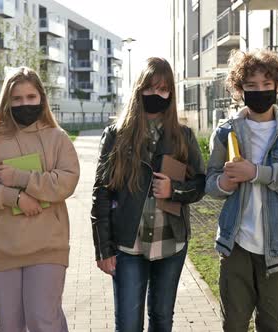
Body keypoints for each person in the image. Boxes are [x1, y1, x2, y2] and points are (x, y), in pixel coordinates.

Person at [205, 49, 278, 331]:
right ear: (239, 89)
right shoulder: (225, 131)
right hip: (236, 244)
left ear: (277, 86)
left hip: (276, 246)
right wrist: (224, 183)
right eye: (251, 86)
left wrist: (256, 173)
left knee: (270, 324)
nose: (260, 91)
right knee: (233, 323)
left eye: (267, 85)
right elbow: (210, 181)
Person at [91, 57, 206, 331]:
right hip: (128, 246)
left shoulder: (184, 136)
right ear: (138, 89)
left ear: (171, 94)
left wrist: (174, 190)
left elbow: (201, 183)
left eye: (164, 89)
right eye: (151, 88)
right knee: (129, 325)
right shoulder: (116, 136)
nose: (157, 95)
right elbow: (101, 194)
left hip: (171, 244)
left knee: (162, 318)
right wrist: (102, 248)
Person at [0, 67, 80, 332]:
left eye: (30, 97)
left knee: (43, 321)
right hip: (1, 248)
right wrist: (13, 197)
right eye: (16, 99)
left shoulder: (57, 138)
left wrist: (21, 177)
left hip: (48, 246)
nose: (24, 104)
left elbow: (67, 182)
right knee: (9, 326)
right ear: (6, 101)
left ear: (42, 99)